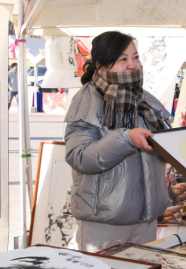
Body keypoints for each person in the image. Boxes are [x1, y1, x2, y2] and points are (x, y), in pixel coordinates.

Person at [65, 31, 171, 251]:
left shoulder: (145, 100)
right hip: (104, 223)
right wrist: (125, 139)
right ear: (101, 65)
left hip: (146, 220)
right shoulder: (87, 100)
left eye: (136, 57)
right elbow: (79, 156)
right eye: (123, 59)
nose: (133, 64)